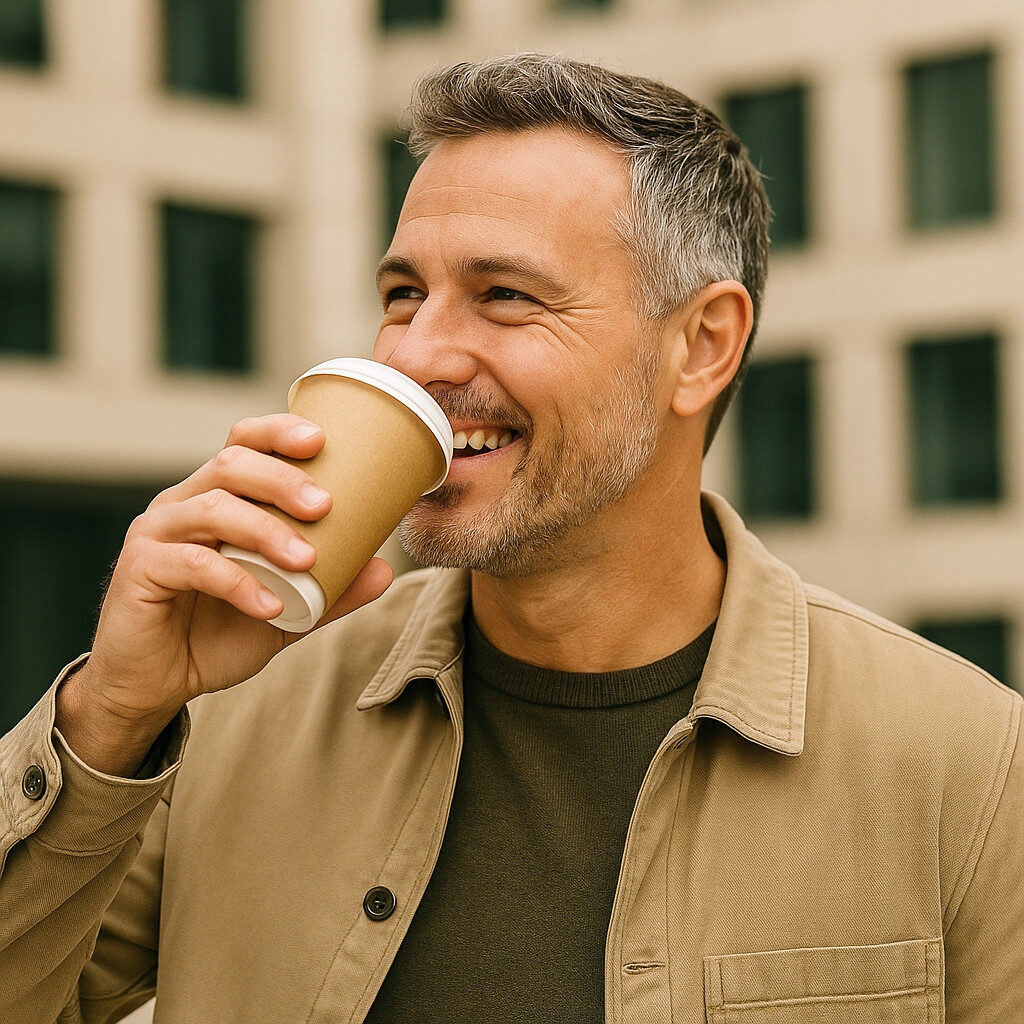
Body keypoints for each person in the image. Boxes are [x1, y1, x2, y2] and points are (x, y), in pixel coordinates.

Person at [0, 53, 1020, 1024]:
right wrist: (110, 716)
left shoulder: (970, 767)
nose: (420, 354)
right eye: (402, 295)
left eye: (505, 296)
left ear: (701, 345)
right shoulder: (226, 713)